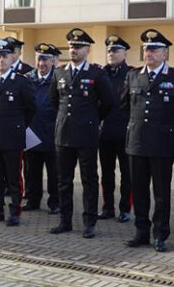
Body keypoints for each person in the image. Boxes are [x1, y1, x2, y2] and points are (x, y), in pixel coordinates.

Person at [121, 29, 174, 252]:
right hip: (137, 142)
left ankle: (160, 234)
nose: (149, 52)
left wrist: (164, 124)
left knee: (161, 193)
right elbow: (125, 105)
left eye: (154, 49)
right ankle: (141, 232)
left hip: (162, 143)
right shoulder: (133, 75)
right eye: (146, 49)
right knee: (140, 190)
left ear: (165, 53)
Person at [49, 29, 115, 239]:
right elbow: (54, 101)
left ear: (87, 49)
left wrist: (93, 120)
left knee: (89, 180)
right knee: (64, 180)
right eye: (70, 47)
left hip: (86, 134)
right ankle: (65, 221)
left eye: (77, 47)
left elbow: (109, 102)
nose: (73, 50)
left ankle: (89, 223)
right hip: (63, 134)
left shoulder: (96, 73)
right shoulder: (59, 72)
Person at [0, 38, 36, 226]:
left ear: (12, 58)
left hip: (13, 137)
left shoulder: (21, 81)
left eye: (4, 56)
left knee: (13, 177)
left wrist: (18, 126)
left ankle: (15, 211)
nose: (1, 60)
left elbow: (31, 109)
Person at [98, 35, 133, 223]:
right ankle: (107, 207)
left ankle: (125, 208)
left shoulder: (132, 73)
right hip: (105, 132)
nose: (111, 54)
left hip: (125, 132)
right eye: (109, 50)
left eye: (116, 50)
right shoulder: (100, 73)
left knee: (127, 174)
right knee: (107, 173)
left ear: (124, 53)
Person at [23, 43, 60, 214]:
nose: (42, 63)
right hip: (32, 131)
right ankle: (32, 199)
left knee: (54, 172)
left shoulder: (59, 78)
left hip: (53, 132)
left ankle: (55, 202)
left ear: (53, 61)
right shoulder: (27, 78)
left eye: (45, 59)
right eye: (39, 59)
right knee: (31, 170)